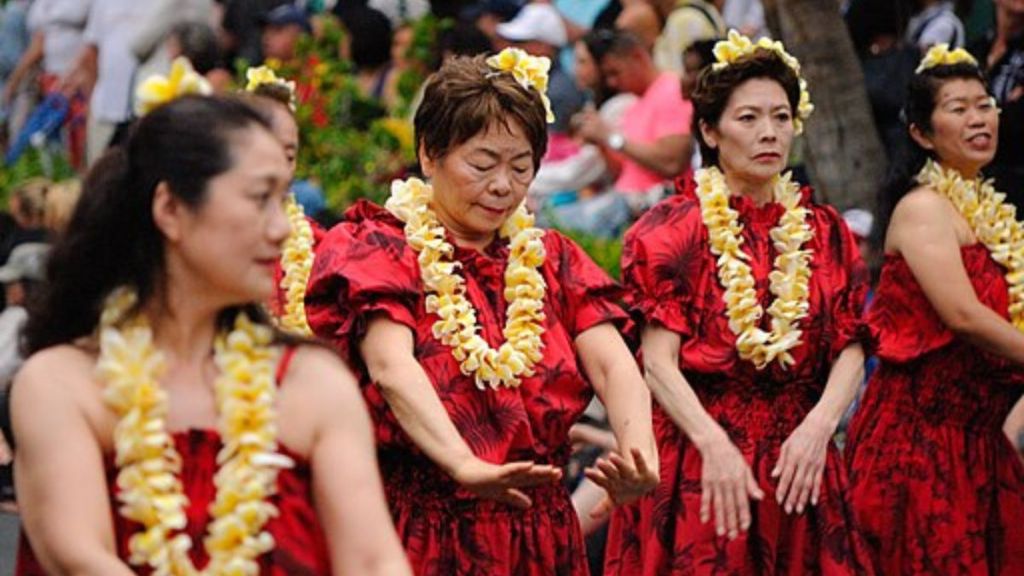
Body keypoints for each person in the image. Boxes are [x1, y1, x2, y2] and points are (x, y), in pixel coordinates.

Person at [11, 77, 410, 573]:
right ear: (171, 209)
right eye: (260, 198)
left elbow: (374, 562)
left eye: (283, 197)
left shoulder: (315, 382)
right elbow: (82, 559)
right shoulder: (61, 384)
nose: (283, 226)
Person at [304, 49, 659, 575]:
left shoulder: (552, 260)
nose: (503, 186)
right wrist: (462, 463)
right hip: (421, 524)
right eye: (483, 163)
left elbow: (612, 363)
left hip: (538, 531)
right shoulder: (380, 248)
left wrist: (638, 452)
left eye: (521, 168)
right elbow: (391, 366)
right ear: (429, 155)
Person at [603, 31, 876, 574]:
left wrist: (822, 426)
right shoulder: (674, 229)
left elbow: (852, 343)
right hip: (700, 454)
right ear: (710, 130)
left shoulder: (826, 232)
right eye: (748, 118)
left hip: (802, 454)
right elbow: (657, 363)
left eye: (780, 117)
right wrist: (714, 444)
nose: (769, 132)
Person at [845, 43, 1024, 574]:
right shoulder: (923, 209)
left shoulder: (994, 214)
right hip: (919, 444)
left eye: (984, 103)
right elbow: (963, 315)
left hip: (979, 442)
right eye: (958, 108)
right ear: (922, 134)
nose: (978, 118)